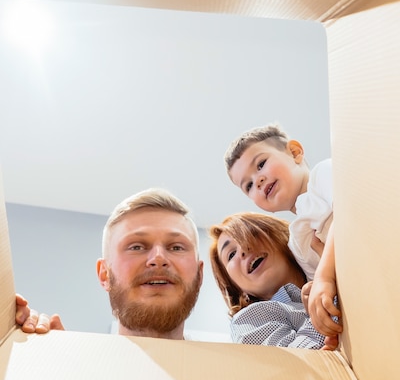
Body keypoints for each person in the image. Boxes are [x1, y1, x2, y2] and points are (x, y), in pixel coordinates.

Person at [16, 188, 203, 340]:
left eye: (177, 247)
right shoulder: (66, 367)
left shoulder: (230, 378)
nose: (158, 258)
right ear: (104, 274)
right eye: (137, 247)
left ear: (199, 274)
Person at [224, 123, 341, 342]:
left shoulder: (323, 174)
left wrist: (324, 278)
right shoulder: (297, 241)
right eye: (248, 186)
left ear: (295, 153)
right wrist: (314, 297)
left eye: (261, 164)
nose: (257, 181)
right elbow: (326, 289)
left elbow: (348, 213)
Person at [209, 211, 329, 349]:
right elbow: (295, 363)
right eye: (231, 255)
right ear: (238, 289)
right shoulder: (248, 321)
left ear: (277, 235)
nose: (242, 249)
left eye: (250, 234)